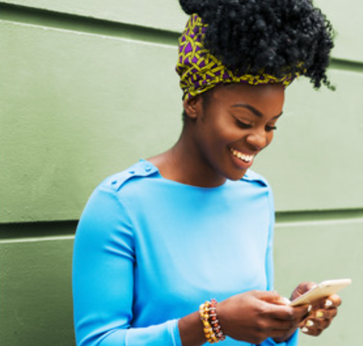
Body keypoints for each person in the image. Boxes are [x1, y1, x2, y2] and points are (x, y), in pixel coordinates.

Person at [71, 1, 340, 346]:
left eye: (271, 125)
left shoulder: (256, 195)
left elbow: (252, 335)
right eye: (244, 121)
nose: (259, 139)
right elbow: (97, 342)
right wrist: (212, 323)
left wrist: (284, 321)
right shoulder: (120, 204)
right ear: (194, 102)